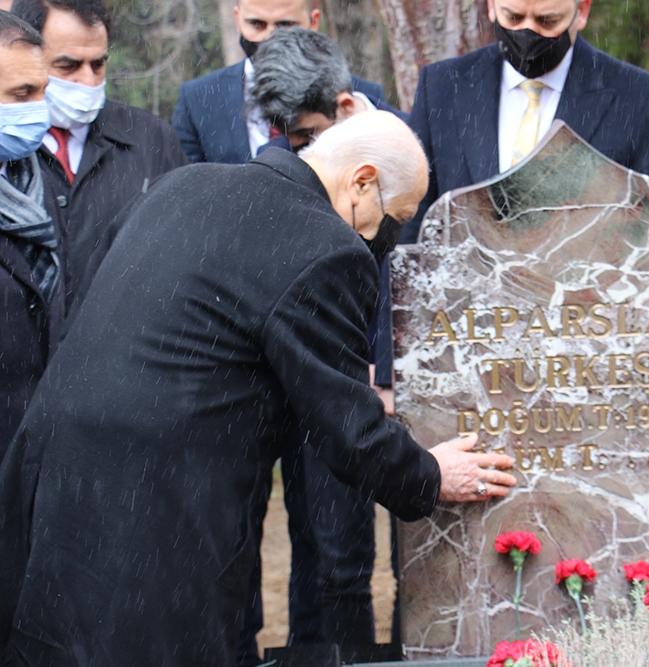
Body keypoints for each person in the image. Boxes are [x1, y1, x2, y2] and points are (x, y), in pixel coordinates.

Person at [0, 110, 517, 666]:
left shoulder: (185, 183)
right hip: (160, 507)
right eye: (398, 217)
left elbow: (90, 302)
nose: (390, 237)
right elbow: (348, 431)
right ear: (361, 183)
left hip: (54, 466)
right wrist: (431, 475)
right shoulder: (325, 245)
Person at [249, 26, 385, 653]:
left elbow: (399, 263)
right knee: (278, 544)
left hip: (348, 374)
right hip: (261, 374)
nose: (304, 155)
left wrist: (376, 370)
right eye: (290, 140)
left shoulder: (392, 142)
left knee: (341, 556)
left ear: (345, 104)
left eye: (312, 138)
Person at [402, 0, 649, 243]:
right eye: (513, 17)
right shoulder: (443, 87)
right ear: (491, 6)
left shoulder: (636, 97)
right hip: (459, 301)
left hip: (587, 301)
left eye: (547, 21)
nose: (528, 33)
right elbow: (409, 218)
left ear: (582, 10)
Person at [10, 0, 188, 314]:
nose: (89, 82)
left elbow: (184, 250)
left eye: (98, 64)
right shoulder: (8, 143)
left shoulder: (151, 139)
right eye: (68, 66)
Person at [171, 0, 398, 165]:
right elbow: (186, 191)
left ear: (313, 21)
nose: (270, 38)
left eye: (285, 25)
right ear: (238, 20)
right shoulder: (198, 99)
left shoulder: (364, 97)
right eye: (257, 24)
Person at [0, 10, 65, 455]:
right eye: (22, 94)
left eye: (43, 92)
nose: (38, 110)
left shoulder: (42, 177)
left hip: (40, 439)